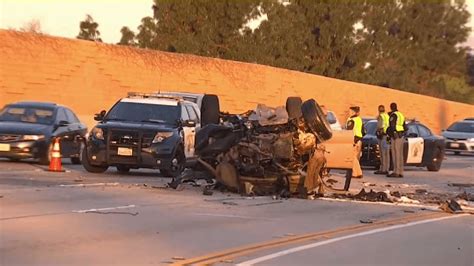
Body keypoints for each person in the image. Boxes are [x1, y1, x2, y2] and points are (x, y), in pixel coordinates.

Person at [386, 102, 406, 178]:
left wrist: (393, 134)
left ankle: (396, 171)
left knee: (395, 154)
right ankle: (401, 171)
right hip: (401, 135)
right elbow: (405, 126)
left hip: (396, 136)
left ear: (391, 107)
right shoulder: (401, 115)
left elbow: (392, 125)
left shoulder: (393, 115)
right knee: (400, 154)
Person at [346, 106, 366, 179]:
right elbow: (363, 131)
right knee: (355, 157)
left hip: (353, 139)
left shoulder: (351, 120)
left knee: (352, 157)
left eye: (350, 112)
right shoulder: (359, 119)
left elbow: (349, 131)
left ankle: (355, 173)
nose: (349, 113)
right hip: (359, 140)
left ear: (353, 112)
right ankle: (358, 172)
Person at [374, 105, 390, 175]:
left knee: (382, 153)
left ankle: (383, 169)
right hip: (387, 136)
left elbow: (380, 126)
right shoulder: (387, 116)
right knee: (386, 153)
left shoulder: (381, 116)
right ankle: (386, 168)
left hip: (382, 135)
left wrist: (378, 132)